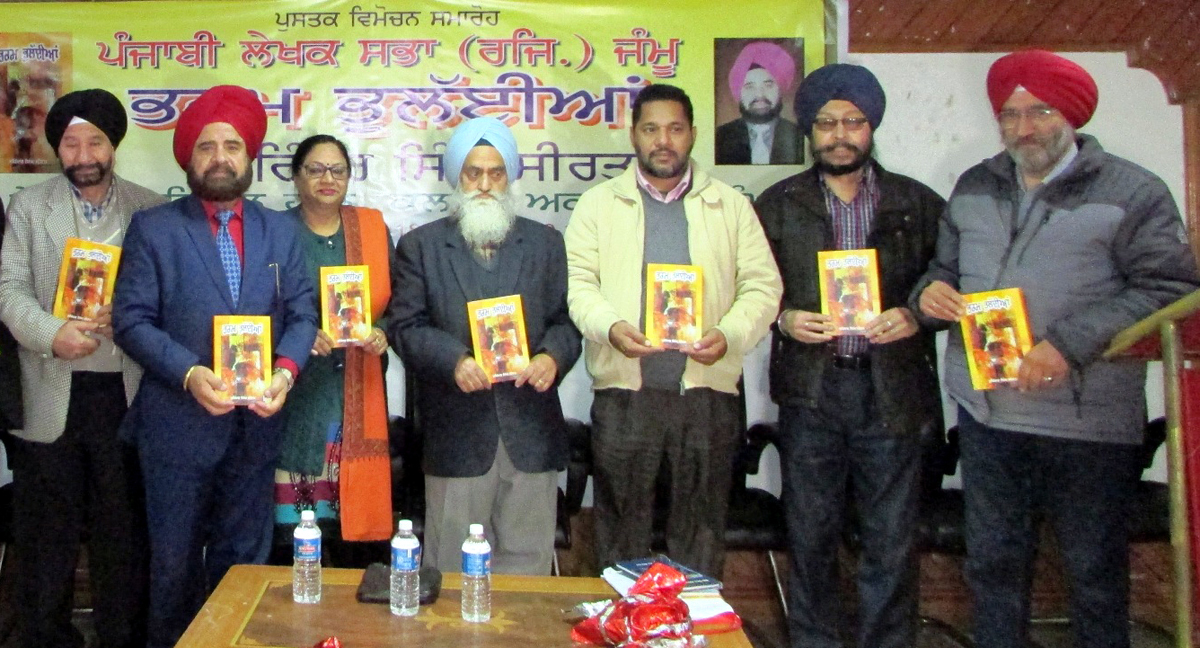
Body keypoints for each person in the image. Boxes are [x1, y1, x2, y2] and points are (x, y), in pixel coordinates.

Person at [912, 50, 1200, 648]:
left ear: (1069, 114)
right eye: (1010, 115)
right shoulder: (975, 183)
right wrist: (927, 295)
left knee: (1093, 574)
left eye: (1039, 111)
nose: (1024, 128)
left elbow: (1172, 289)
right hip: (988, 414)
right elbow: (943, 268)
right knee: (993, 569)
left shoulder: (1132, 191)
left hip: (1086, 421)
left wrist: (1067, 346)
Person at [111, 84, 317, 648]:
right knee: (173, 570)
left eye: (232, 145)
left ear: (249, 157)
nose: (220, 157)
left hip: (256, 429)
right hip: (176, 429)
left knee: (242, 568)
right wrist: (189, 373)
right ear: (189, 158)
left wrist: (286, 371)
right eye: (207, 146)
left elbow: (303, 314)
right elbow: (131, 320)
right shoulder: (155, 229)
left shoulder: (280, 229)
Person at [754, 64, 945, 648]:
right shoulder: (778, 203)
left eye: (853, 122)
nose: (840, 134)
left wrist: (916, 311)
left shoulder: (918, 202)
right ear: (810, 132)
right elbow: (752, 285)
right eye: (826, 123)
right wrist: (782, 318)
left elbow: (949, 276)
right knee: (809, 534)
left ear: (871, 126)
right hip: (812, 391)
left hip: (892, 390)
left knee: (890, 537)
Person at [565, 83, 782, 576]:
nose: (663, 140)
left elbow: (763, 288)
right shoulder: (598, 205)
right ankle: (625, 630)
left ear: (693, 136)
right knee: (621, 530)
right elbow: (578, 286)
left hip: (706, 396)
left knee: (701, 531)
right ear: (633, 136)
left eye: (675, 129)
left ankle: (694, 630)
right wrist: (611, 327)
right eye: (651, 129)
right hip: (625, 395)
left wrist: (729, 334)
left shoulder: (730, 206)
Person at [0, 88, 164, 648]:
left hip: (126, 393)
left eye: (95, 139)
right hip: (50, 391)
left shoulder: (149, 210)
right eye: (71, 142)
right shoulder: (28, 206)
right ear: (58, 150)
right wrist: (52, 333)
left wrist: (135, 315)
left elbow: (171, 297)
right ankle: (45, 638)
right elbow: (8, 291)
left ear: (113, 144)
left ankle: (123, 637)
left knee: (123, 534)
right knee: (46, 538)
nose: (84, 152)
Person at [387, 116, 581, 575]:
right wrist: (453, 361)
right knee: (452, 572)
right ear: (457, 176)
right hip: (457, 432)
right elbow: (405, 326)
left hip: (530, 431)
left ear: (510, 177)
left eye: (496, 173)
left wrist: (552, 357)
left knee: (528, 572)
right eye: (473, 172)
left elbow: (568, 321)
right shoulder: (422, 246)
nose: (485, 184)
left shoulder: (546, 243)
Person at [274, 134, 394, 547]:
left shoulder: (372, 230)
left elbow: (401, 304)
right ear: (295, 177)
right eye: (315, 169)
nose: (327, 178)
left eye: (337, 170)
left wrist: (383, 332)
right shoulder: (275, 231)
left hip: (357, 396)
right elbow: (255, 308)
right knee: (295, 538)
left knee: (353, 542)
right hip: (295, 400)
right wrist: (294, 336)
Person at [715, 41, 800, 166]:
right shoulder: (719, 138)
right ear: (739, 92)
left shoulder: (800, 137)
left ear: (781, 89)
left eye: (768, 85)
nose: (759, 95)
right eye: (749, 86)